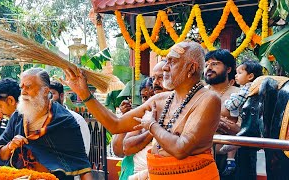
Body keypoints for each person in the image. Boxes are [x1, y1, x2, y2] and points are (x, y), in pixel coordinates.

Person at [64, 41, 221, 179]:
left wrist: (151, 125)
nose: (165, 67)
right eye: (166, 61)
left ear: (191, 68)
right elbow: (115, 124)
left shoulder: (208, 100)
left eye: (172, 62)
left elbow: (181, 148)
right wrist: (84, 93)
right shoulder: (161, 100)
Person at [0, 68, 92, 180]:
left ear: (45, 91)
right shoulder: (17, 117)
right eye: (22, 87)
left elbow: (84, 168)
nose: (23, 92)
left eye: (28, 87)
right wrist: (10, 146)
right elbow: (0, 154)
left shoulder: (65, 121)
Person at [204, 49, 240, 179]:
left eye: (215, 64)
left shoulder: (239, 95)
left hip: (229, 160)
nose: (209, 68)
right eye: (207, 64)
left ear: (229, 69)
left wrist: (217, 122)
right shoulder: (198, 94)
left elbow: (245, 130)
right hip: (200, 157)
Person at [113, 77, 154, 180]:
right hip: (131, 173)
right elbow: (119, 150)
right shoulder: (139, 116)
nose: (148, 101)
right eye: (144, 97)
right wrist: (125, 116)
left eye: (152, 96)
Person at [49, 80, 91, 156]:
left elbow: (84, 152)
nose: (48, 98)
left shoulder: (76, 120)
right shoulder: (41, 121)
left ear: (61, 96)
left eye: (51, 94)